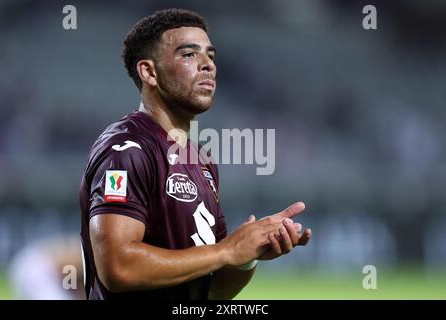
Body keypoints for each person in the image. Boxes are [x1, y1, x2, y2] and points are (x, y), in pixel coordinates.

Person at [79, 8, 311, 300]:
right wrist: (226, 250)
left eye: (210, 56)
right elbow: (117, 267)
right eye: (189, 54)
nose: (208, 65)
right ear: (149, 72)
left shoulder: (201, 161)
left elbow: (211, 289)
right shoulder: (126, 150)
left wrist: (246, 256)